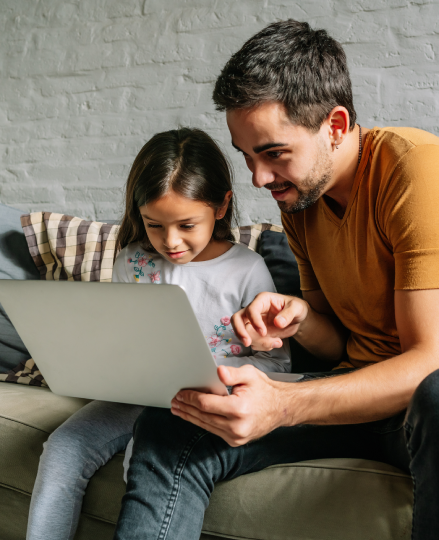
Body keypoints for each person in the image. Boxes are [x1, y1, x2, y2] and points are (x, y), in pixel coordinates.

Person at [114, 20, 439, 540]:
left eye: (274, 153)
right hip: (362, 400)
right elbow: (340, 351)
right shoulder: (301, 202)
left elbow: (432, 363)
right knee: (183, 416)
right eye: (246, 155)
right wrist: (299, 320)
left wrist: (281, 405)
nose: (259, 178)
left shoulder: (420, 173)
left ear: (334, 125)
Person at [26, 127, 291, 540]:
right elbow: (118, 338)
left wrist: (248, 352)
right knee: (63, 448)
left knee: (148, 453)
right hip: (136, 395)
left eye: (187, 225)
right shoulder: (132, 261)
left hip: (201, 404)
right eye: (154, 225)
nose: (171, 241)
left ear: (222, 206)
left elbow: (277, 363)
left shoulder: (247, 268)